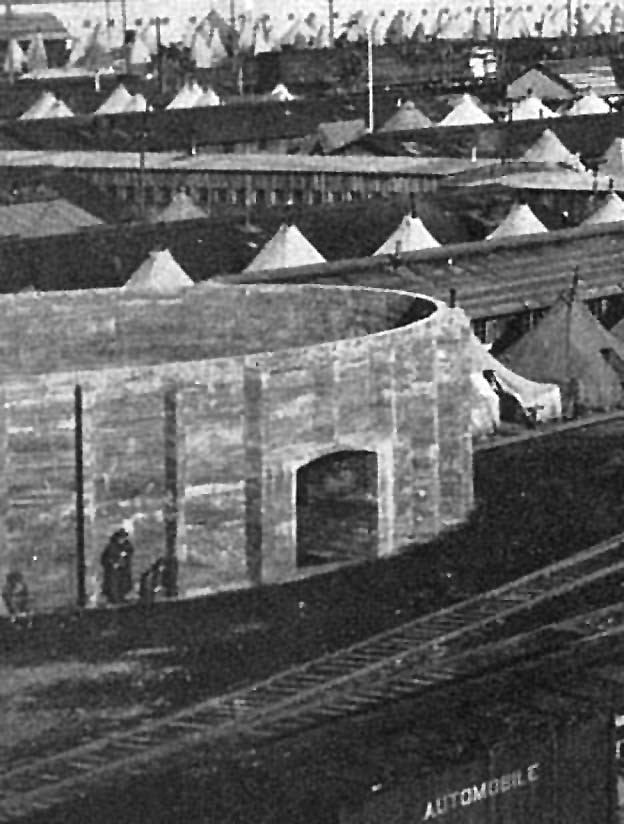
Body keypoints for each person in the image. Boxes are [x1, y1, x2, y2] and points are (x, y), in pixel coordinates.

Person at [101, 528, 135, 604]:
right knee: (114, 585)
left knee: (124, 584)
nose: (122, 539)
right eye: (121, 537)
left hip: (123, 570)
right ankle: (114, 599)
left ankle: (122, 597)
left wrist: (125, 557)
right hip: (113, 571)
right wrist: (112, 563)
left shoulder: (127, 545)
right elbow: (105, 558)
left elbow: (129, 552)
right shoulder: (111, 546)